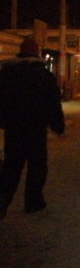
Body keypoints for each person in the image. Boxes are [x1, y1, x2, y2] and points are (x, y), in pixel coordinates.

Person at [0, 37, 65, 220]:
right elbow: (53, 103)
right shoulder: (43, 75)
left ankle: (3, 197)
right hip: (36, 128)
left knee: (11, 165)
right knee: (37, 166)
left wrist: (4, 121)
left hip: (13, 129)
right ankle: (33, 201)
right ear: (36, 53)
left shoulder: (6, 74)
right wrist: (58, 126)